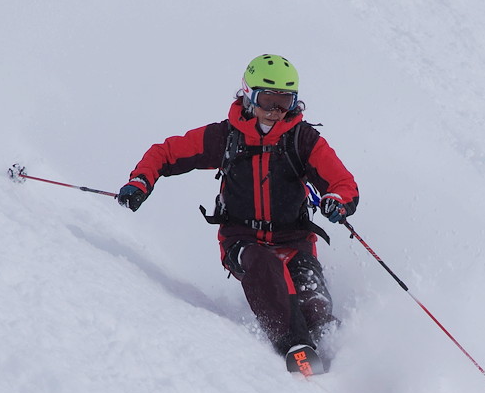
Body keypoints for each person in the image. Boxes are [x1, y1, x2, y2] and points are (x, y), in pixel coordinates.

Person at [117, 54, 358, 364]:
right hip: (242, 239)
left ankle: (345, 366)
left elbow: (343, 183)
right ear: (248, 95)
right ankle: (295, 350)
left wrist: (337, 201)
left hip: (294, 241)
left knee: (314, 307)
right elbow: (166, 153)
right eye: (267, 99)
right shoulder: (224, 137)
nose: (275, 110)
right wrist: (140, 181)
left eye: (284, 101)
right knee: (262, 266)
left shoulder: (303, 140)